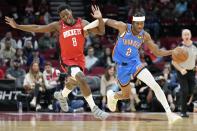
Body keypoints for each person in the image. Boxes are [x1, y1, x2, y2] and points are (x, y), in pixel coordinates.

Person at [5, 4, 108, 119]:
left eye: (66, 14)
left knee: (74, 82)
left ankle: (62, 96)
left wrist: (99, 18)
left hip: (80, 60)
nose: (65, 17)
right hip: (66, 60)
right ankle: (94, 108)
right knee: (81, 78)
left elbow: (101, 32)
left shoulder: (82, 23)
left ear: (71, 11)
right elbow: (37, 28)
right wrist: (17, 26)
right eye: (62, 16)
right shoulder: (58, 25)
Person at [85, 11, 181, 123]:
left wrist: (172, 52)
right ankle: (113, 96)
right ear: (133, 22)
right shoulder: (123, 27)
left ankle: (169, 114)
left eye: (142, 23)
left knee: (154, 85)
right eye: (138, 23)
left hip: (135, 64)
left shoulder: (145, 35)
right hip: (121, 67)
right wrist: (89, 25)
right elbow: (106, 21)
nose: (140, 26)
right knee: (125, 95)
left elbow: (157, 52)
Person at [172, 29, 197, 117]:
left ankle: (179, 94)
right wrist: (181, 69)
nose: (186, 36)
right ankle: (183, 112)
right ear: (182, 36)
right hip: (182, 71)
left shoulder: (195, 46)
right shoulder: (179, 47)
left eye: (188, 34)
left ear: (190, 35)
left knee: (191, 90)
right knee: (185, 91)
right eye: (184, 35)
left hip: (192, 71)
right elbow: (173, 62)